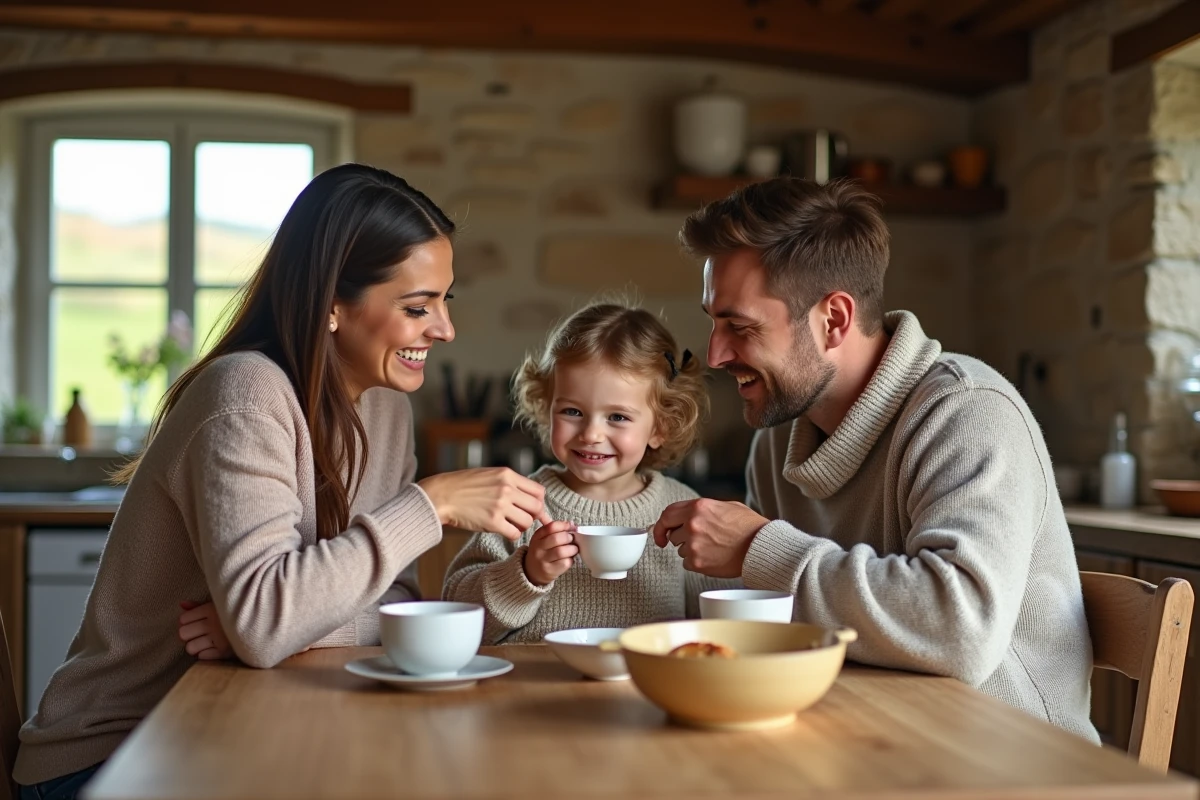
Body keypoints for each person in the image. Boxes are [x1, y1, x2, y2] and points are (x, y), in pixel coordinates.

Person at [14, 163, 553, 798]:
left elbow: (385, 611)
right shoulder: (245, 396)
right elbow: (269, 624)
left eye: (443, 300)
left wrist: (274, 626)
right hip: (117, 751)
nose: (444, 329)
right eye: (417, 307)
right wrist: (426, 505)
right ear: (332, 305)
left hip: (250, 726)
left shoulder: (385, 409)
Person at [650, 178, 1098, 742]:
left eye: (740, 327)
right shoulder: (778, 436)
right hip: (866, 740)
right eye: (714, 323)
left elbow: (959, 629)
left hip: (1012, 760)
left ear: (834, 319)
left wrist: (756, 549)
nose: (715, 354)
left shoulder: (966, 413)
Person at [444, 302, 736, 642]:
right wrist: (526, 573)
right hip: (530, 690)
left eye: (617, 417)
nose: (591, 434)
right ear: (545, 407)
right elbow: (455, 611)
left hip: (644, 691)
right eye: (572, 411)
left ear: (661, 427)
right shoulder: (518, 505)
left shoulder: (685, 512)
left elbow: (723, 625)